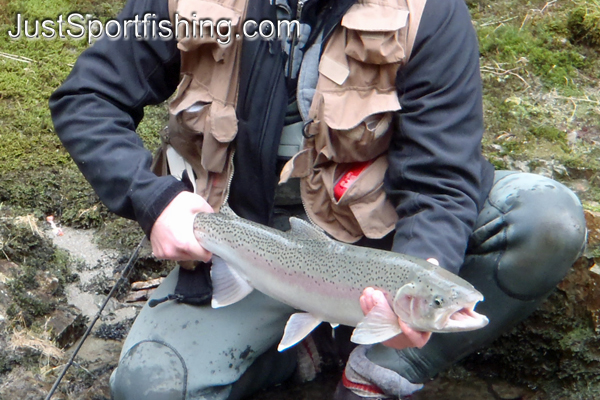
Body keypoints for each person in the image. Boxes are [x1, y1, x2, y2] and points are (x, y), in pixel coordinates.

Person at [49, 0, 587, 398]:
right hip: (250, 246)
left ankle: (379, 371)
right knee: (151, 389)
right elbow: (86, 98)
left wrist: (424, 270)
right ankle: (298, 349)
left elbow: (441, 179)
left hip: (379, 243)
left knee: (547, 220)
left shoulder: (429, 12)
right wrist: (155, 199)